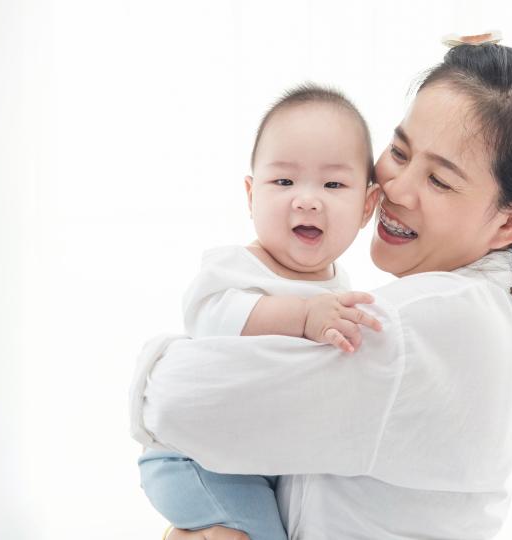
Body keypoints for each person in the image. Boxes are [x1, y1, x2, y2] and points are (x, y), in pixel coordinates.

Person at [130, 34, 512, 539]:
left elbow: (172, 404)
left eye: (439, 181)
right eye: (399, 152)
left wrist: (158, 357)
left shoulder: (410, 325)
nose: (395, 190)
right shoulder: (465, 315)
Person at [136, 84, 383, 540]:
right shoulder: (235, 266)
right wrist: (304, 317)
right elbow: (210, 318)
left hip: (260, 458)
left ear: (367, 205)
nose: (307, 199)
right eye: (283, 181)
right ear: (250, 195)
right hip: (196, 457)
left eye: (333, 184)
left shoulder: (339, 288)